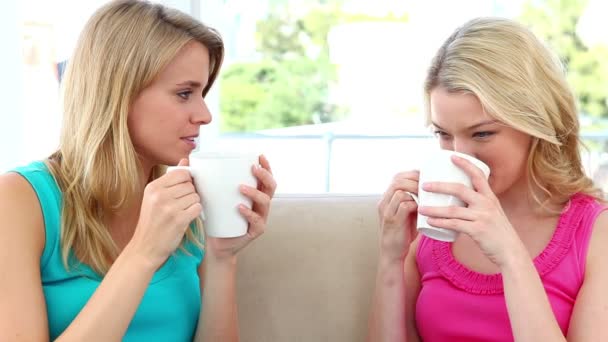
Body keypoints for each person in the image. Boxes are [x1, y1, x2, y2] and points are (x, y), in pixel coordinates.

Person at [0, 1, 276, 341]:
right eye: (185, 93)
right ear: (118, 93)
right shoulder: (18, 200)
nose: (205, 115)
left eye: (202, 93)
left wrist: (221, 256)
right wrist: (143, 253)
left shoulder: (184, 202)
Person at [367, 17, 608, 341]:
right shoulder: (435, 227)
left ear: (534, 122)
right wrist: (391, 259)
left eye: (482, 133)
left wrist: (510, 255)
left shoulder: (594, 234)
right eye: (444, 134)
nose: (459, 155)